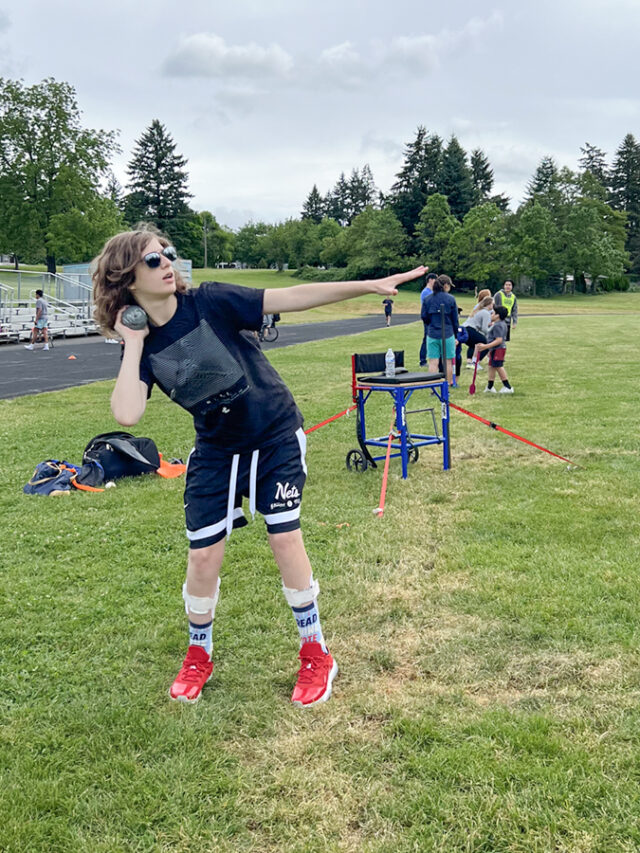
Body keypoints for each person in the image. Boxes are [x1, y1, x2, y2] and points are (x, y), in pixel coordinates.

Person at [92, 226, 427, 707]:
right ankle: (199, 653)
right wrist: (134, 341)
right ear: (126, 277)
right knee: (203, 556)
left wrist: (368, 285)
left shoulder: (210, 301)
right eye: (152, 260)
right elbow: (126, 414)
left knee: (283, 534)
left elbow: (291, 296)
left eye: (167, 253)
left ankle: (316, 652)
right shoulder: (139, 345)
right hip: (216, 449)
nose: (167, 262)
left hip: (273, 433)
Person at [421, 274, 459, 385]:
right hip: (447, 333)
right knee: (447, 361)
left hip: (432, 333)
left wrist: (430, 325)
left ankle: (432, 386)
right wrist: (456, 334)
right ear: (446, 285)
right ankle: (446, 385)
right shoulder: (451, 299)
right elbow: (455, 319)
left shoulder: (428, 299)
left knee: (433, 362)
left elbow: (424, 316)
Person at [474, 305, 514, 394]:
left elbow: (499, 340)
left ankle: (508, 387)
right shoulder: (498, 324)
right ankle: (490, 386)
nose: (491, 314)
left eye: (493, 313)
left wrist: (485, 346)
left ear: (497, 316)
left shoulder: (498, 325)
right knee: (491, 366)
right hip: (494, 349)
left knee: (498, 366)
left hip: (498, 349)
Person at [462, 295, 493, 367]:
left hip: (464, 329)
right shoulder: (486, 313)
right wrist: (492, 329)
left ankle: (469, 362)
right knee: (486, 344)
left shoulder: (478, 310)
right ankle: (475, 362)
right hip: (471, 329)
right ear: (489, 304)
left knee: (473, 345)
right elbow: (485, 329)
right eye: (492, 304)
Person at [418, 272, 438, 365]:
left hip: (433, 318)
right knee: (426, 338)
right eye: (435, 280)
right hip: (428, 318)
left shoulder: (432, 291)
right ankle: (422, 360)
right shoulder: (426, 292)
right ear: (430, 280)